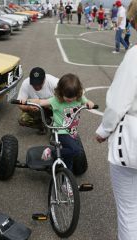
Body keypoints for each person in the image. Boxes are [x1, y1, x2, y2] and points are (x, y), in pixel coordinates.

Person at [96, 1, 137, 239]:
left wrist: (103, 131)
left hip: (131, 144)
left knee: (129, 212)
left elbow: (118, 102)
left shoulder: (134, 56)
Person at [27, 73, 94, 171]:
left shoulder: (79, 98)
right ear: (61, 92)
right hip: (61, 131)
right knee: (75, 150)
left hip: (72, 132)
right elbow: (41, 102)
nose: (70, 99)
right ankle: (52, 152)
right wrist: (27, 101)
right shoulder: (56, 100)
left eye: (73, 97)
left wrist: (89, 103)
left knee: (69, 160)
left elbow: (86, 101)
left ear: (78, 93)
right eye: (67, 97)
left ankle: (65, 181)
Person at [17, 67, 59, 135]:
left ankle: (58, 125)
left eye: (39, 84)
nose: (36, 86)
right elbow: (20, 103)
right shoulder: (26, 83)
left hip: (54, 107)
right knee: (23, 120)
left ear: (44, 79)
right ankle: (44, 124)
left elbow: (66, 96)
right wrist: (28, 107)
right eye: (34, 84)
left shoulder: (54, 82)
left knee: (63, 109)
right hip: (38, 108)